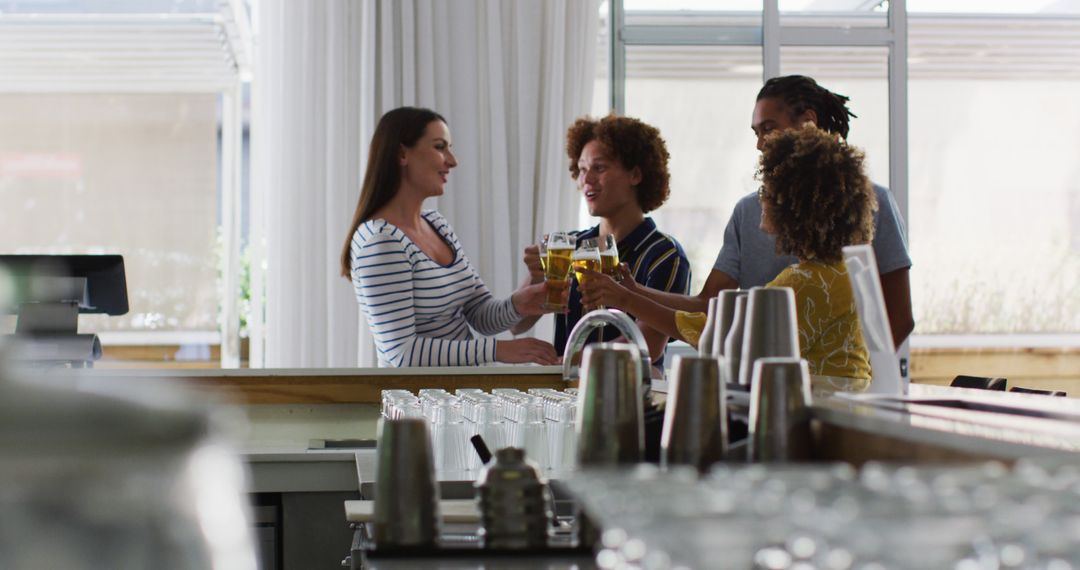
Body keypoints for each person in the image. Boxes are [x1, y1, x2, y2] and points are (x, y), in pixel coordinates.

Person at [593, 75, 914, 348]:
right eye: (756, 133)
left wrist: (860, 379)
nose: (760, 144)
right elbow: (712, 309)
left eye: (768, 129)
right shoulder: (748, 212)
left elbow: (898, 319)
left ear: (808, 123)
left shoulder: (874, 203)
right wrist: (633, 292)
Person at [585, 123, 876, 392]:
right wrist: (633, 291)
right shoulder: (835, 270)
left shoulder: (805, 281)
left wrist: (625, 300)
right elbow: (718, 318)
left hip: (816, 428)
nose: (761, 198)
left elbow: (721, 340)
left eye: (769, 191)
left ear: (794, 204)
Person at [340, 106, 560, 367]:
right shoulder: (381, 242)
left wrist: (518, 304)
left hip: (458, 398)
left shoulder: (436, 224)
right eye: (440, 147)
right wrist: (497, 350)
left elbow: (480, 315)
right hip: (418, 405)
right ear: (402, 154)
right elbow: (402, 354)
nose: (452, 161)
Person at [514, 114, 691, 364]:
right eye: (582, 169)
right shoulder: (569, 246)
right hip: (567, 394)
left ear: (636, 175)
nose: (586, 179)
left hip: (627, 395)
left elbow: (648, 345)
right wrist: (537, 276)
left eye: (599, 168)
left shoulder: (664, 254)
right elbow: (518, 324)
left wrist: (572, 361)